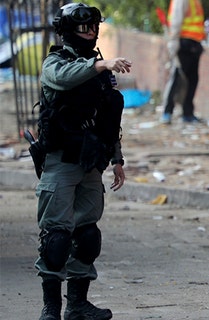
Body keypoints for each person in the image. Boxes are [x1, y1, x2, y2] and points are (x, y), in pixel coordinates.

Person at [35, 3, 130, 320]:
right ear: (66, 31)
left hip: (91, 161)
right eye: (83, 27)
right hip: (61, 159)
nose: (90, 31)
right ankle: (51, 309)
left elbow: (108, 117)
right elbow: (61, 79)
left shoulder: (97, 67)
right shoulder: (55, 62)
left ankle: (77, 304)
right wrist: (100, 67)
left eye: (93, 27)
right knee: (56, 238)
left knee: (87, 236)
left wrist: (117, 158)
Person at [159, 0, 205, 124]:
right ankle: (167, 112)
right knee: (177, 78)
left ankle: (188, 113)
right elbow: (176, 19)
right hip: (184, 43)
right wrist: (174, 40)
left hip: (194, 43)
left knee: (192, 80)